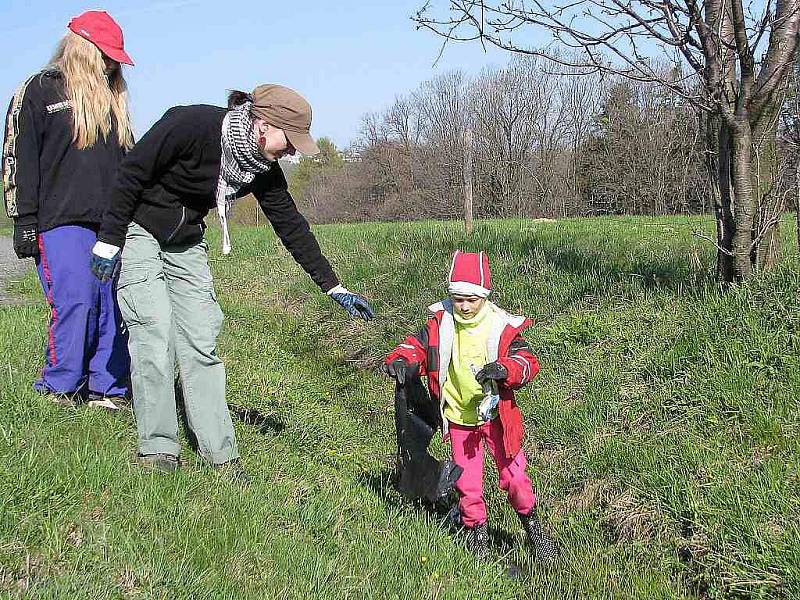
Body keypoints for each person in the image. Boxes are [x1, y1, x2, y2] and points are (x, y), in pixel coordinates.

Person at [91, 84, 374, 482]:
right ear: (263, 124)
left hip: (185, 239)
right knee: (153, 333)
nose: (291, 151)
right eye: (289, 141)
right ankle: (158, 446)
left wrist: (334, 287)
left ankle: (219, 454)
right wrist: (109, 239)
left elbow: (291, 226)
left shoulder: (258, 168)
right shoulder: (190, 125)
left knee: (201, 340)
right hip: (139, 230)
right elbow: (131, 172)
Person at [382, 251, 558, 560]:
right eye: (457, 298)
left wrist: (506, 369)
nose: (463, 306)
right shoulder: (440, 323)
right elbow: (414, 347)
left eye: (471, 300)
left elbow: (527, 361)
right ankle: (479, 542)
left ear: (484, 296)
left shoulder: (501, 326)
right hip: (459, 418)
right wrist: (400, 360)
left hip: (497, 419)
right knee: (468, 485)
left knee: (515, 479)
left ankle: (536, 533)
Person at [2, 10, 134, 410]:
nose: (112, 64)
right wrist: (23, 220)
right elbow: (18, 157)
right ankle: (60, 387)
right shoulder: (39, 91)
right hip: (59, 220)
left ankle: (107, 389)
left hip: (111, 221)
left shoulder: (115, 98)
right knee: (76, 301)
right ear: (85, 48)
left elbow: (129, 163)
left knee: (113, 306)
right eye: (106, 54)